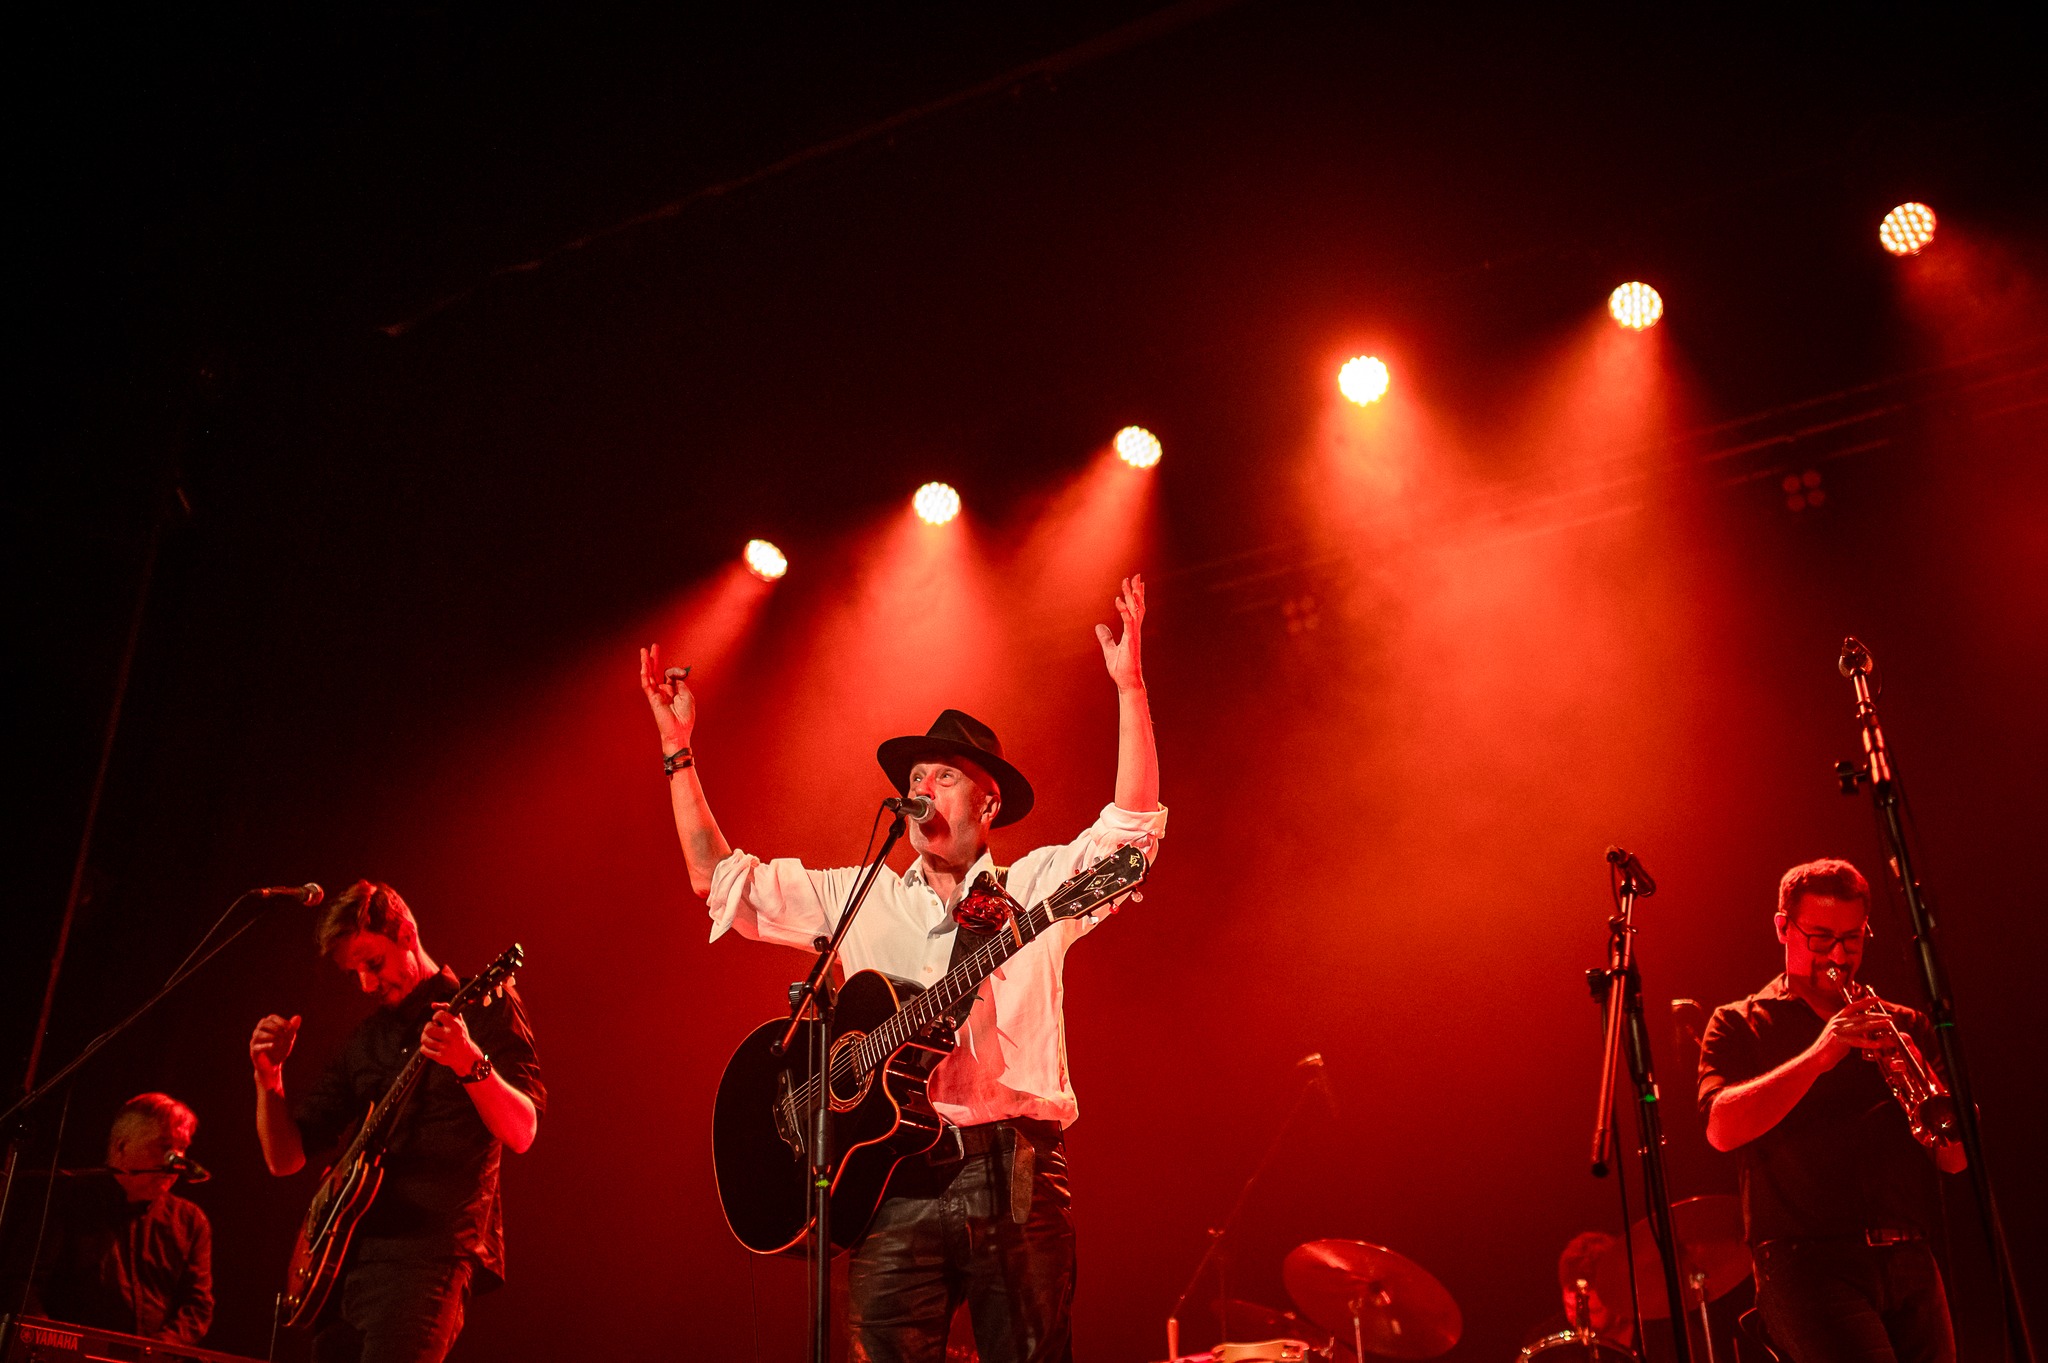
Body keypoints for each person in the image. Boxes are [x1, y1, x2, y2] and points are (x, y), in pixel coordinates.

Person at [639, 574, 1163, 1363]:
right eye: (913, 777)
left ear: (989, 803)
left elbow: (1131, 835)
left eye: (942, 774)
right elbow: (717, 878)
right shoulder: (860, 894)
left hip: (1011, 1172)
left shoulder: (1032, 886)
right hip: (889, 1182)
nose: (919, 787)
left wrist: (1130, 686)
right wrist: (679, 749)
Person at [249, 880, 544, 1363]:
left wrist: (469, 1061)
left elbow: (523, 1131)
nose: (366, 983)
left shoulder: (483, 1007)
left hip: (426, 1259)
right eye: (354, 973)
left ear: (407, 933)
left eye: (373, 963)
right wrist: (269, 1079)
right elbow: (285, 1159)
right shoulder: (366, 1040)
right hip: (341, 1265)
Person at [1697, 858, 1965, 1363]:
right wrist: (1820, 1056)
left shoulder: (1903, 1023)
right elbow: (1720, 1129)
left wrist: (1920, 1078)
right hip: (1807, 1266)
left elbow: (1955, 1160)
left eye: (1853, 938)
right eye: (1820, 938)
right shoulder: (1738, 1023)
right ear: (1782, 927)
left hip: (1911, 1257)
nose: (1838, 955)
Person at [18, 1092, 213, 1342]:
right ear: (122, 1146)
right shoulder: (68, 1201)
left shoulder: (190, 1221)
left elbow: (197, 1306)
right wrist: (51, 1344)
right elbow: (24, 1284)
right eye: (164, 1147)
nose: (177, 1161)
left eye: (182, 1148)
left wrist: (155, 1352)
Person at [1520, 1231, 1640, 1356]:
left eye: (1592, 1311)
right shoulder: (1542, 1341)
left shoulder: (1652, 1337)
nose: (1580, 1320)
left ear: (1619, 1300)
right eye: (1570, 1307)